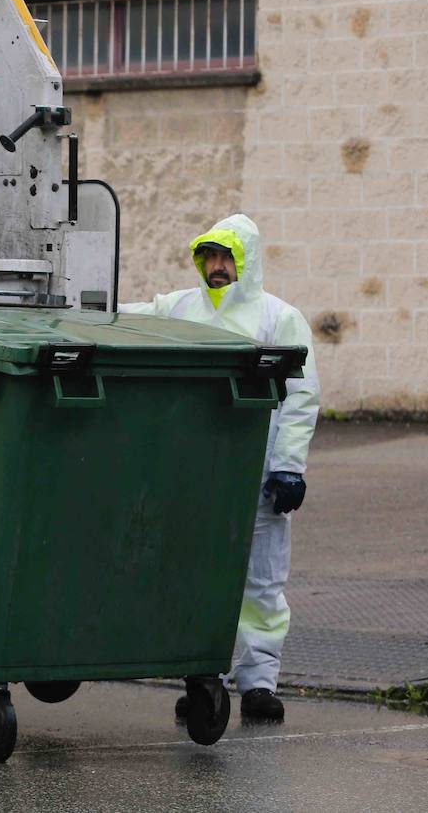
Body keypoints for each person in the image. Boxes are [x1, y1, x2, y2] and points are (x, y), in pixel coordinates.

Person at [121, 213, 319, 723]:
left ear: (245, 262)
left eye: (226, 256)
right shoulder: (179, 308)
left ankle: (258, 683)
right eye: (209, 255)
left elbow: (301, 397)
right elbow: (119, 318)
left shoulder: (279, 318)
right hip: (194, 474)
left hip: (258, 476)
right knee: (192, 576)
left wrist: (289, 466)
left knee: (261, 581)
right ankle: (201, 675)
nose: (216, 266)